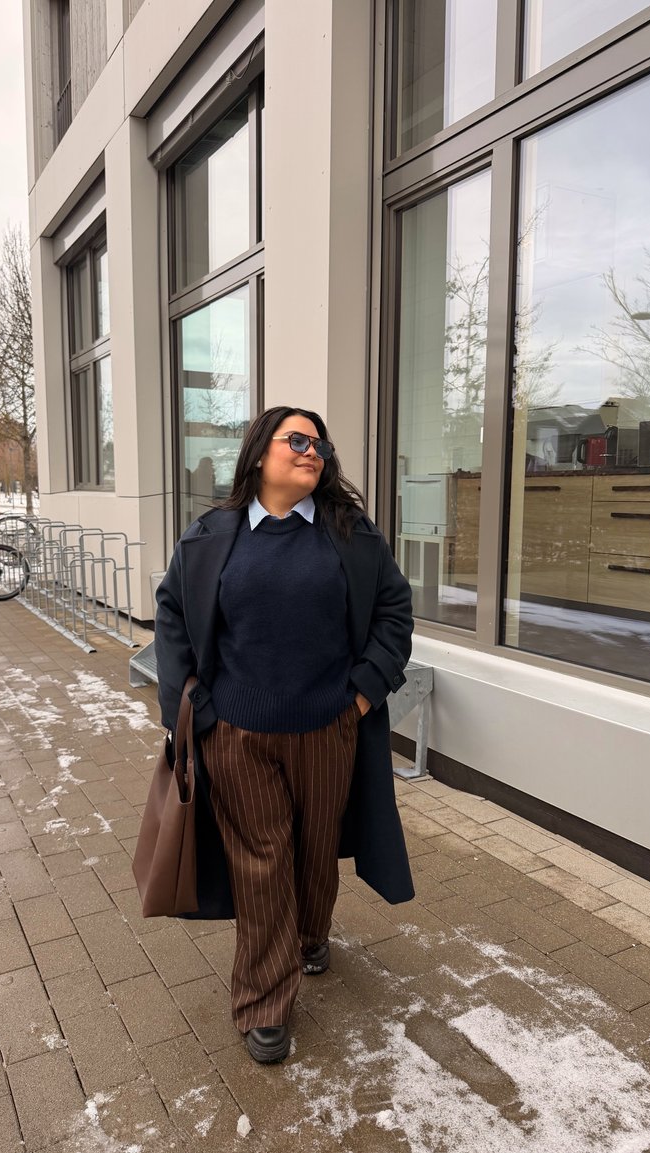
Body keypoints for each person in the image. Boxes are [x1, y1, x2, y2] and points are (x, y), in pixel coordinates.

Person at [154, 406, 414, 1064]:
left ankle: (309, 935)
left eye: (320, 443)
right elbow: (173, 614)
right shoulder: (213, 534)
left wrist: (362, 693)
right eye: (296, 439)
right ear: (258, 453)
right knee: (261, 862)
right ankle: (264, 1000)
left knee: (315, 850)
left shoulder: (349, 534)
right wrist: (192, 707)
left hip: (329, 730)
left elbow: (393, 608)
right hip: (238, 734)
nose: (312, 451)